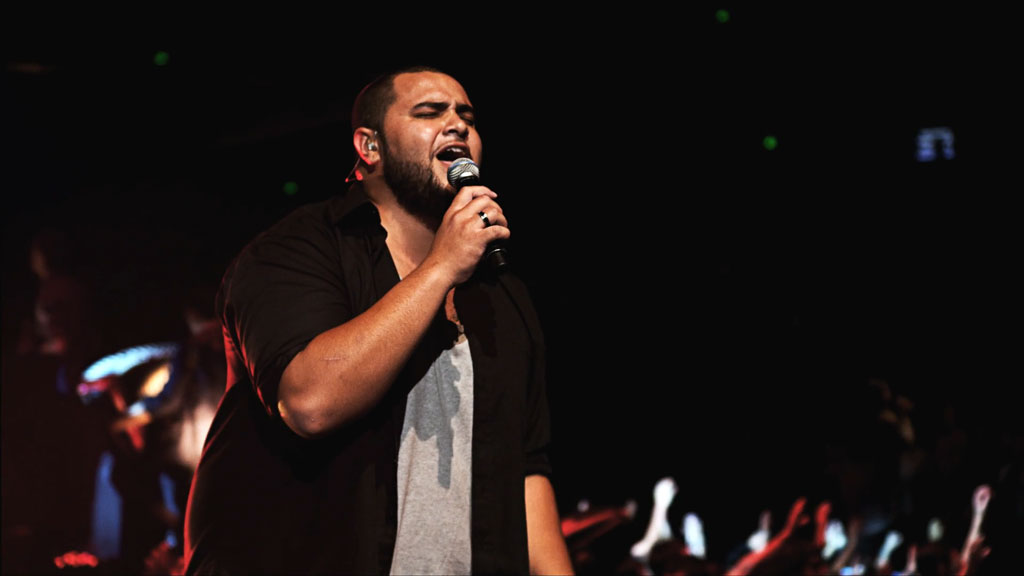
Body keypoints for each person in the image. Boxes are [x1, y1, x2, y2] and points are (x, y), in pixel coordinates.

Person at [184, 66, 572, 575]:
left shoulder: (503, 295)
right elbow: (310, 403)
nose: (457, 124)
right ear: (370, 146)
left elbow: (525, 472)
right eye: (430, 112)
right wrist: (440, 267)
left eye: (467, 116)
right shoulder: (296, 250)